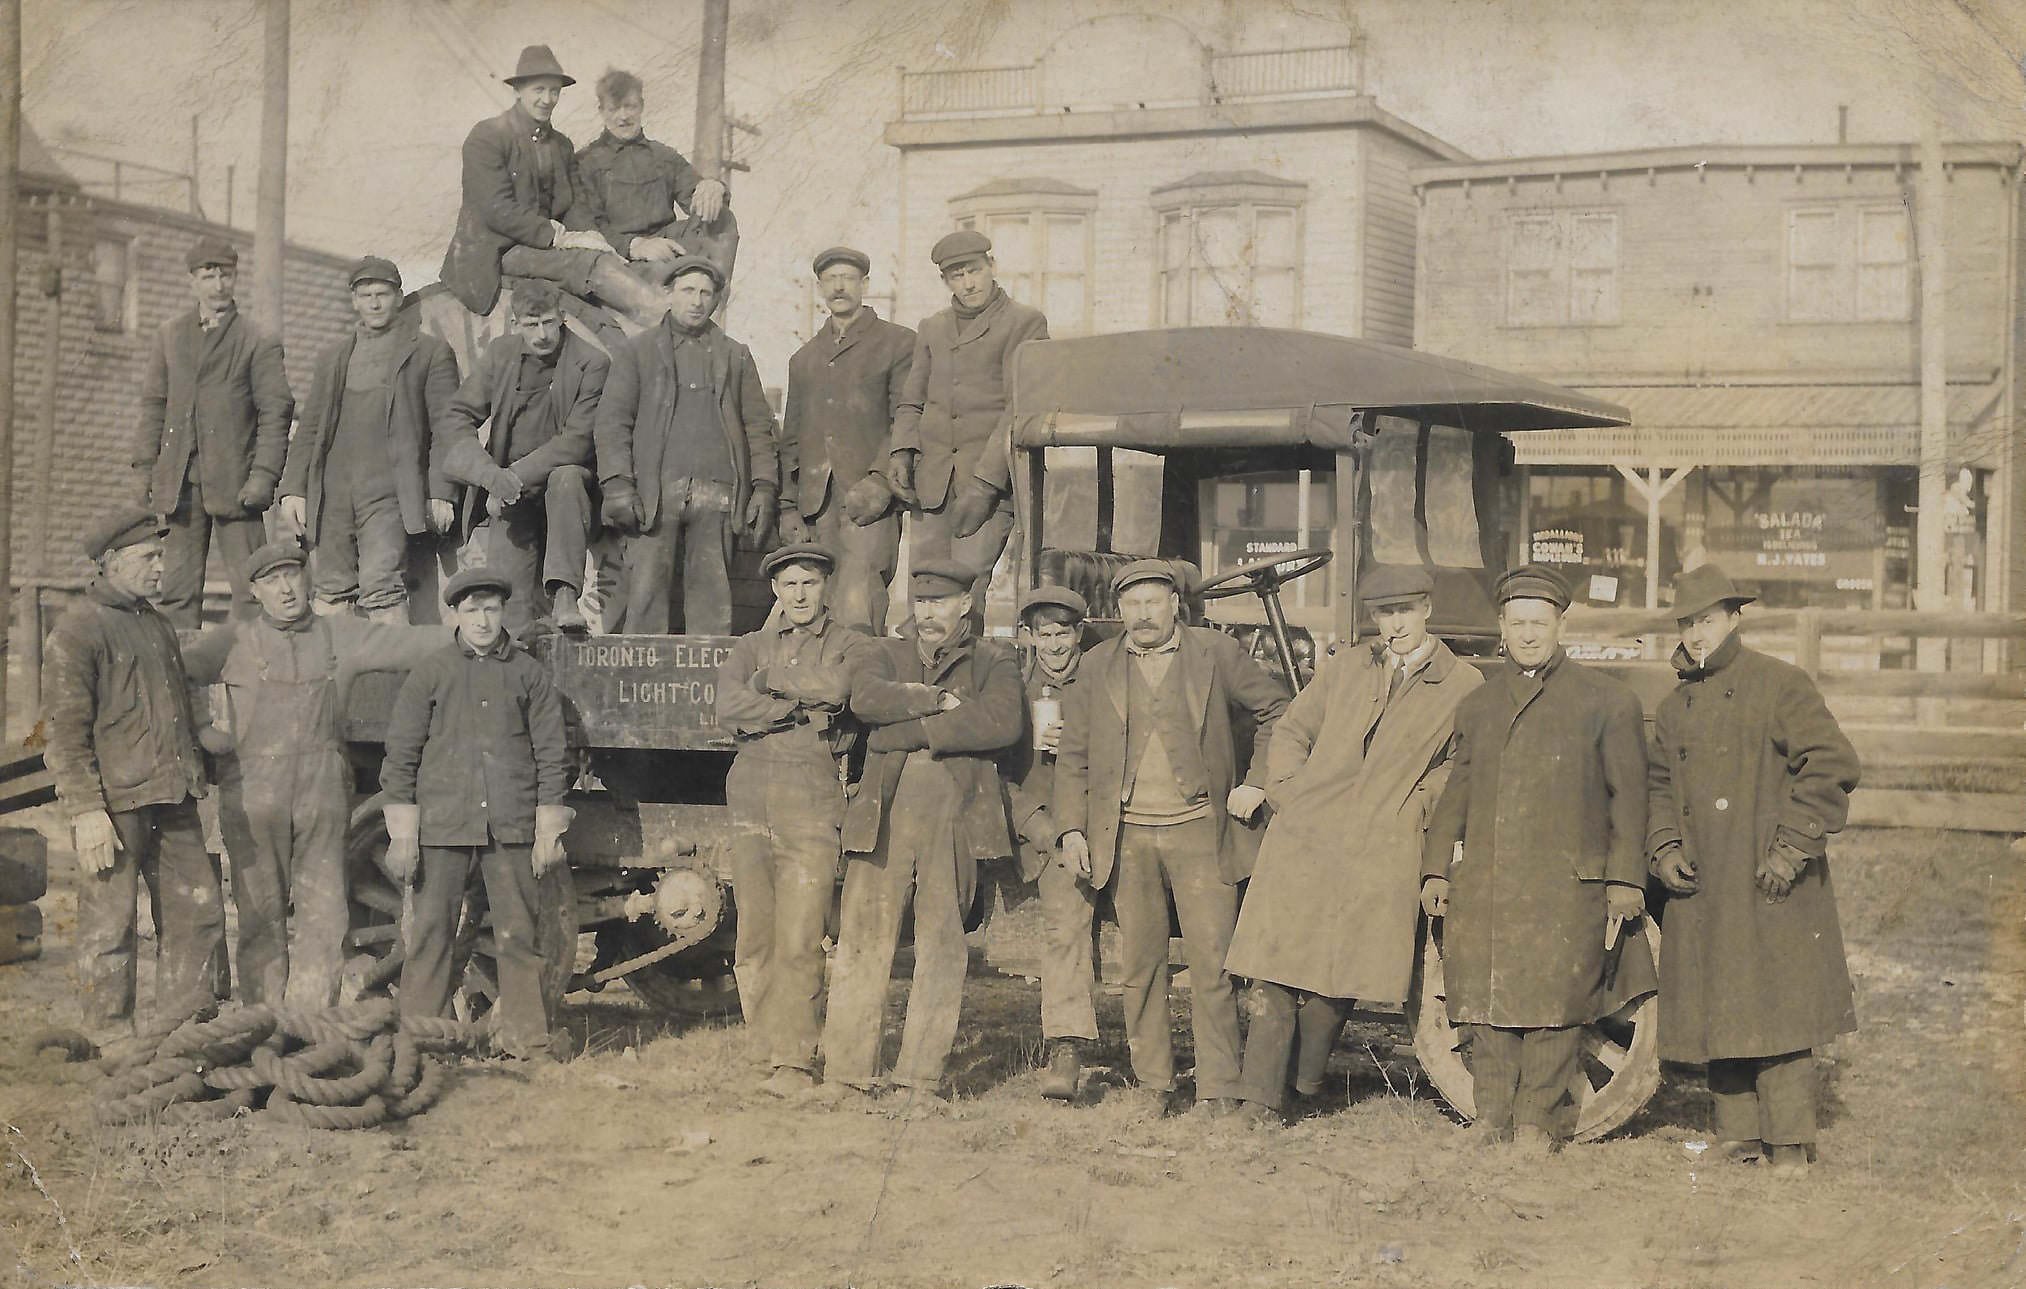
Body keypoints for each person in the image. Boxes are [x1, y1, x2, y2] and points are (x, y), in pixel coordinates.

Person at [1227, 565, 1483, 1124]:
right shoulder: (1345, 667)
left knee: (1340, 977)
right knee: (1273, 969)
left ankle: (1304, 1083)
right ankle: (1257, 1101)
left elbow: (1459, 766)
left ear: (1427, 611)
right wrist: (1289, 793)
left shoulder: (1462, 684)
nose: (1394, 626)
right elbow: (1292, 731)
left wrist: (1415, 807)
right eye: (1384, 615)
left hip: (1383, 843)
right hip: (1306, 836)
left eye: (1405, 612)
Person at [1420, 564, 1653, 1154]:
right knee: (1486, 1001)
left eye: (1539, 622)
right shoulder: (1477, 705)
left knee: (1556, 1007)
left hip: (1564, 883)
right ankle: (1492, 1117)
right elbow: (1458, 792)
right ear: (1501, 625)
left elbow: (1630, 799)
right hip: (1491, 881)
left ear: (1560, 624)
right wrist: (1434, 869)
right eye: (1517, 622)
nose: (1528, 634)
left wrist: (1626, 879)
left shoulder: (1606, 702)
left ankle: (1534, 1126)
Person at [1647, 565, 1862, 1173]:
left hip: (1770, 879)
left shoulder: (1779, 684)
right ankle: (1737, 1135)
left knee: (1778, 1007)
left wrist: (1792, 847)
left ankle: (1790, 1141)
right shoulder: (1672, 707)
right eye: (1687, 623)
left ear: (1734, 618)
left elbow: (1831, 763)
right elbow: (1658, 785)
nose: (1696, 634)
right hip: (1706, 884)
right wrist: (1663, 846)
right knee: (1722, 1000)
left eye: (1707, 621)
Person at [1054, 560, 1287, 1115]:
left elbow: (1279, 710)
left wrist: (1257, 783)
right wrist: (1070, 828)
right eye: (1132, 605)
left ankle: (1218, 1088)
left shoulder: (1216, 653)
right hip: (1128, 836)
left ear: (1175, 605)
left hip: (1202, 834)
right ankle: (1154, 1085)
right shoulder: (1096, 665)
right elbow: (1074, 755)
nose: (1143, 615)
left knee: (1213, 965)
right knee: (1140, 968)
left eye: (1154, 602)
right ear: (1120, 611)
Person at [180, 541, 448, 1008]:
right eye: (272, 581)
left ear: (307, 581)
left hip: (322, 795)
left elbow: (414, 644)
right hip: (253, 800)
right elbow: (175, 671)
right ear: (255, 592)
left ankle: (310, 1024)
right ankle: (260, 1022)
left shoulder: (339, 634)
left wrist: (479, 633)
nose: (285, 589)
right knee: (260, 916)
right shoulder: (233, 640)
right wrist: (204, 728)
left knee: (324, 915)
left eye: (292, 576)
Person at [821, 560, 1023, 1107]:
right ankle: (845, 1073)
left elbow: (1002, 723)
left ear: (965, 605)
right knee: (863, 937)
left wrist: (903, 734)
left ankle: (918, 1079)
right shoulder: (881, 651)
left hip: (956, 814)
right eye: (922, 602)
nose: (930, 613)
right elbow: (865, 700)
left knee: (941, 943)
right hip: (883, 811)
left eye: (942, 602)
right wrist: (936, 702)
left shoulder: (992, 659)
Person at [42, 510, 222, 1040]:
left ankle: (181, 1030)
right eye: (149, 557)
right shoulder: (77, 630)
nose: (160, 567)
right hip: (116, 806)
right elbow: (63, 732)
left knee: (199, 911)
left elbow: (178, 710)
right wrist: (86, 811)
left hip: (173, 795)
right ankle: (110, 1037)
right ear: (112, 562)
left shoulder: (158, 624)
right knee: (109, 924)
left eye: (160, 556)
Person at [379, 567, 572, 1060]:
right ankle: (422, 1041)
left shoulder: (528, 674)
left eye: (490, 609)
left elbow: (553, 753)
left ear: (503, 611)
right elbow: (401, 753)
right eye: (471, 610)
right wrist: (402, 834)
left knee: (518, 936)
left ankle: (527, 1039)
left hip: (510, 827)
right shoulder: (432, 673)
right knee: (431, 934)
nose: (483, 620)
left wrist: (547, 830)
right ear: (456, 615)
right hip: (443, 826)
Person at [714, 543, 873, 1099]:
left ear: (826, 586)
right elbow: (726, 708)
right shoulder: (750, 644)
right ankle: (764, 1049)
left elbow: (838, 691)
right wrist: (791, 707)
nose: (799, 594)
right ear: (775, 591)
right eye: (789, 585)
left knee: (802, 936)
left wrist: (768, 685)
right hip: (751, 789)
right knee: (754, 933)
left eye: (809, 583)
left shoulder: (849, 642)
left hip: (812, 791)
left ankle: (794, 1060)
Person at [595, 256, 779, 634]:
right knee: (645, 593)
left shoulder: (735, 354)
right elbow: (613, 423)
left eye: (706, 293)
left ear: (716, 302)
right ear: (669, 294)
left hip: (718, 494)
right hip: (654, 494)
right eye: (688, 291)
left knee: (712, 596)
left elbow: (758, 426)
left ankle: (707, 686)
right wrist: (617, 485)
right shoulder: (637, 352)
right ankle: (642, 685)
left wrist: (763, 487)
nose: (696, 301)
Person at [279, 256, 460, 623]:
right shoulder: (333, 357)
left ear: (398, 297)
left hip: (389, 493)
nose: (375, 303)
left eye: (382, 294)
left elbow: (447, 428)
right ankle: (336, 678)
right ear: (354, 300)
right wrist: (293, 489)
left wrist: (441, 491)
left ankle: (390, 677)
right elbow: (311, 426)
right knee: (330, 587)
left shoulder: (428, 352)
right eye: (366, 295)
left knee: (382, 586)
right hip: (332, 494)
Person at [438, 44, 673, 325]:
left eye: (554, 91)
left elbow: (571, 205)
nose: (547, 99)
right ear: (518, 90)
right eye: (539, 90)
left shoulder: (561, 145)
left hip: (539, 249)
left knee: (604, 257)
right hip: (495, 252)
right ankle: (667, 326)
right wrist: (556, 236)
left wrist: (595, 237)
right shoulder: (487, 136)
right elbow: (495, 209)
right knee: (592, 266)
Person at [134, 237, 294, 628]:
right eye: (209, 276)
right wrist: (144, 470)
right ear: (192, 281)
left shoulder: (257, 340)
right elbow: (154, 405)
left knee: (253, 589)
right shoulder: (170, 336)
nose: (218, 285)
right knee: (177, 590)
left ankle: (251, 676)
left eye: (226, 275)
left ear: (235, 278)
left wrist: (264, 477)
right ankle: (183, 677)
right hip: (181, 488)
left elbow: (276, 413)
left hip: (237, 486)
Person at [886, 230, 1048, 616]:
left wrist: (985, 483)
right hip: (933, 487)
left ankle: (962, 675)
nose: (968, 283)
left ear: (992, 267)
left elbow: (1020, 407)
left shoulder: (1024, 322)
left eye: (974, 271)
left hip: (988, 488)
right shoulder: (933, 327)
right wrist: (901, 450)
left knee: (965, 595)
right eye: (956, 276)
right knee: (922, 593)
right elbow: (913, 399)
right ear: (945, 281)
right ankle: (920, 675)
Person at [438, 279, 608, 633]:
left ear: (563, 317)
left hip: (567, 492)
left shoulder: (592, 363)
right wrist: (490, 476)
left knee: (566, 476)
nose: (542, 334)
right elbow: (456, 417)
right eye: (531, 325)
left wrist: (510, 476)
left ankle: (565, 594)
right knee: (509, 610)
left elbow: (577, 441)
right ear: (515, 325)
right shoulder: (501, 355)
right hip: (512, 494)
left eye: (548, 322)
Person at [779, 246, 915, 632]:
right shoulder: (804, 359)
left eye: (849, 278)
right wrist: (788, 505)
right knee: (812, 612)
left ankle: (862, 692)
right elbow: (792, 438)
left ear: (865, 285)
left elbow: (905, 418)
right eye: (831, 279)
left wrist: (879, 480)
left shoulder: (897, 343)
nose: (840, 287)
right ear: (820, 286)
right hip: (816, 506)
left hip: (869, 500)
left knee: (859, 609)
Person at [1001, 585, 1101, 1101]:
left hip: (1107, 823)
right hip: (1047, 830)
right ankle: (1066, 1045)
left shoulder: (1106, 678)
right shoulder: (1015, 688)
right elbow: (1000, 773)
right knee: (1063, 926)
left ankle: (1077, 1045)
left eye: (1064, 633)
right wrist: (1040, 826)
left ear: (1079, 634)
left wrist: (1089, 743)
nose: (1055, 645)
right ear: (1029, 638)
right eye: (1045, 635)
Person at [574, 67, 739, 282]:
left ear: (641, 106)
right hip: (621, 257)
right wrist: (635, 246)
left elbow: (696, 197)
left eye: (630, 106)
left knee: (722, 217)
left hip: (669, 248)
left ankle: (714, 292)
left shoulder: (663, 156)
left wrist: (713, 187)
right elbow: (588, 228)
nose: (623, 116)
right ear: (602, 111)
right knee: (660, 274)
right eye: (614, 108)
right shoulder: (586, 162)